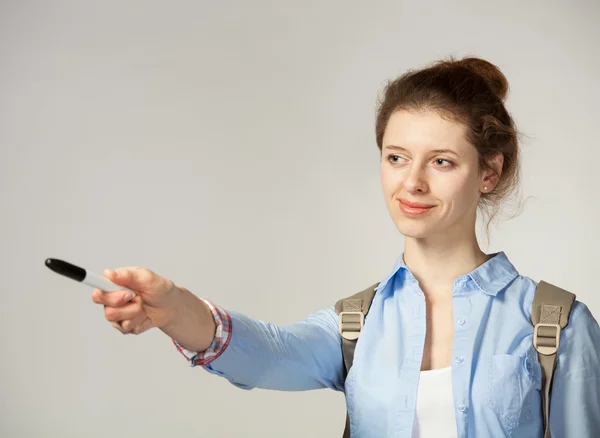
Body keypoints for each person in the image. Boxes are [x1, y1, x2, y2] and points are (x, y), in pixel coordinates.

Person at [91, 56, 600, 437]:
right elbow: (270, 352)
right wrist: (174, 308)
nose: (413, 183)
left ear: (489, 172)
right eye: (396, 157)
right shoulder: (357, 324)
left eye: (442, 161)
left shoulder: (555, 324)